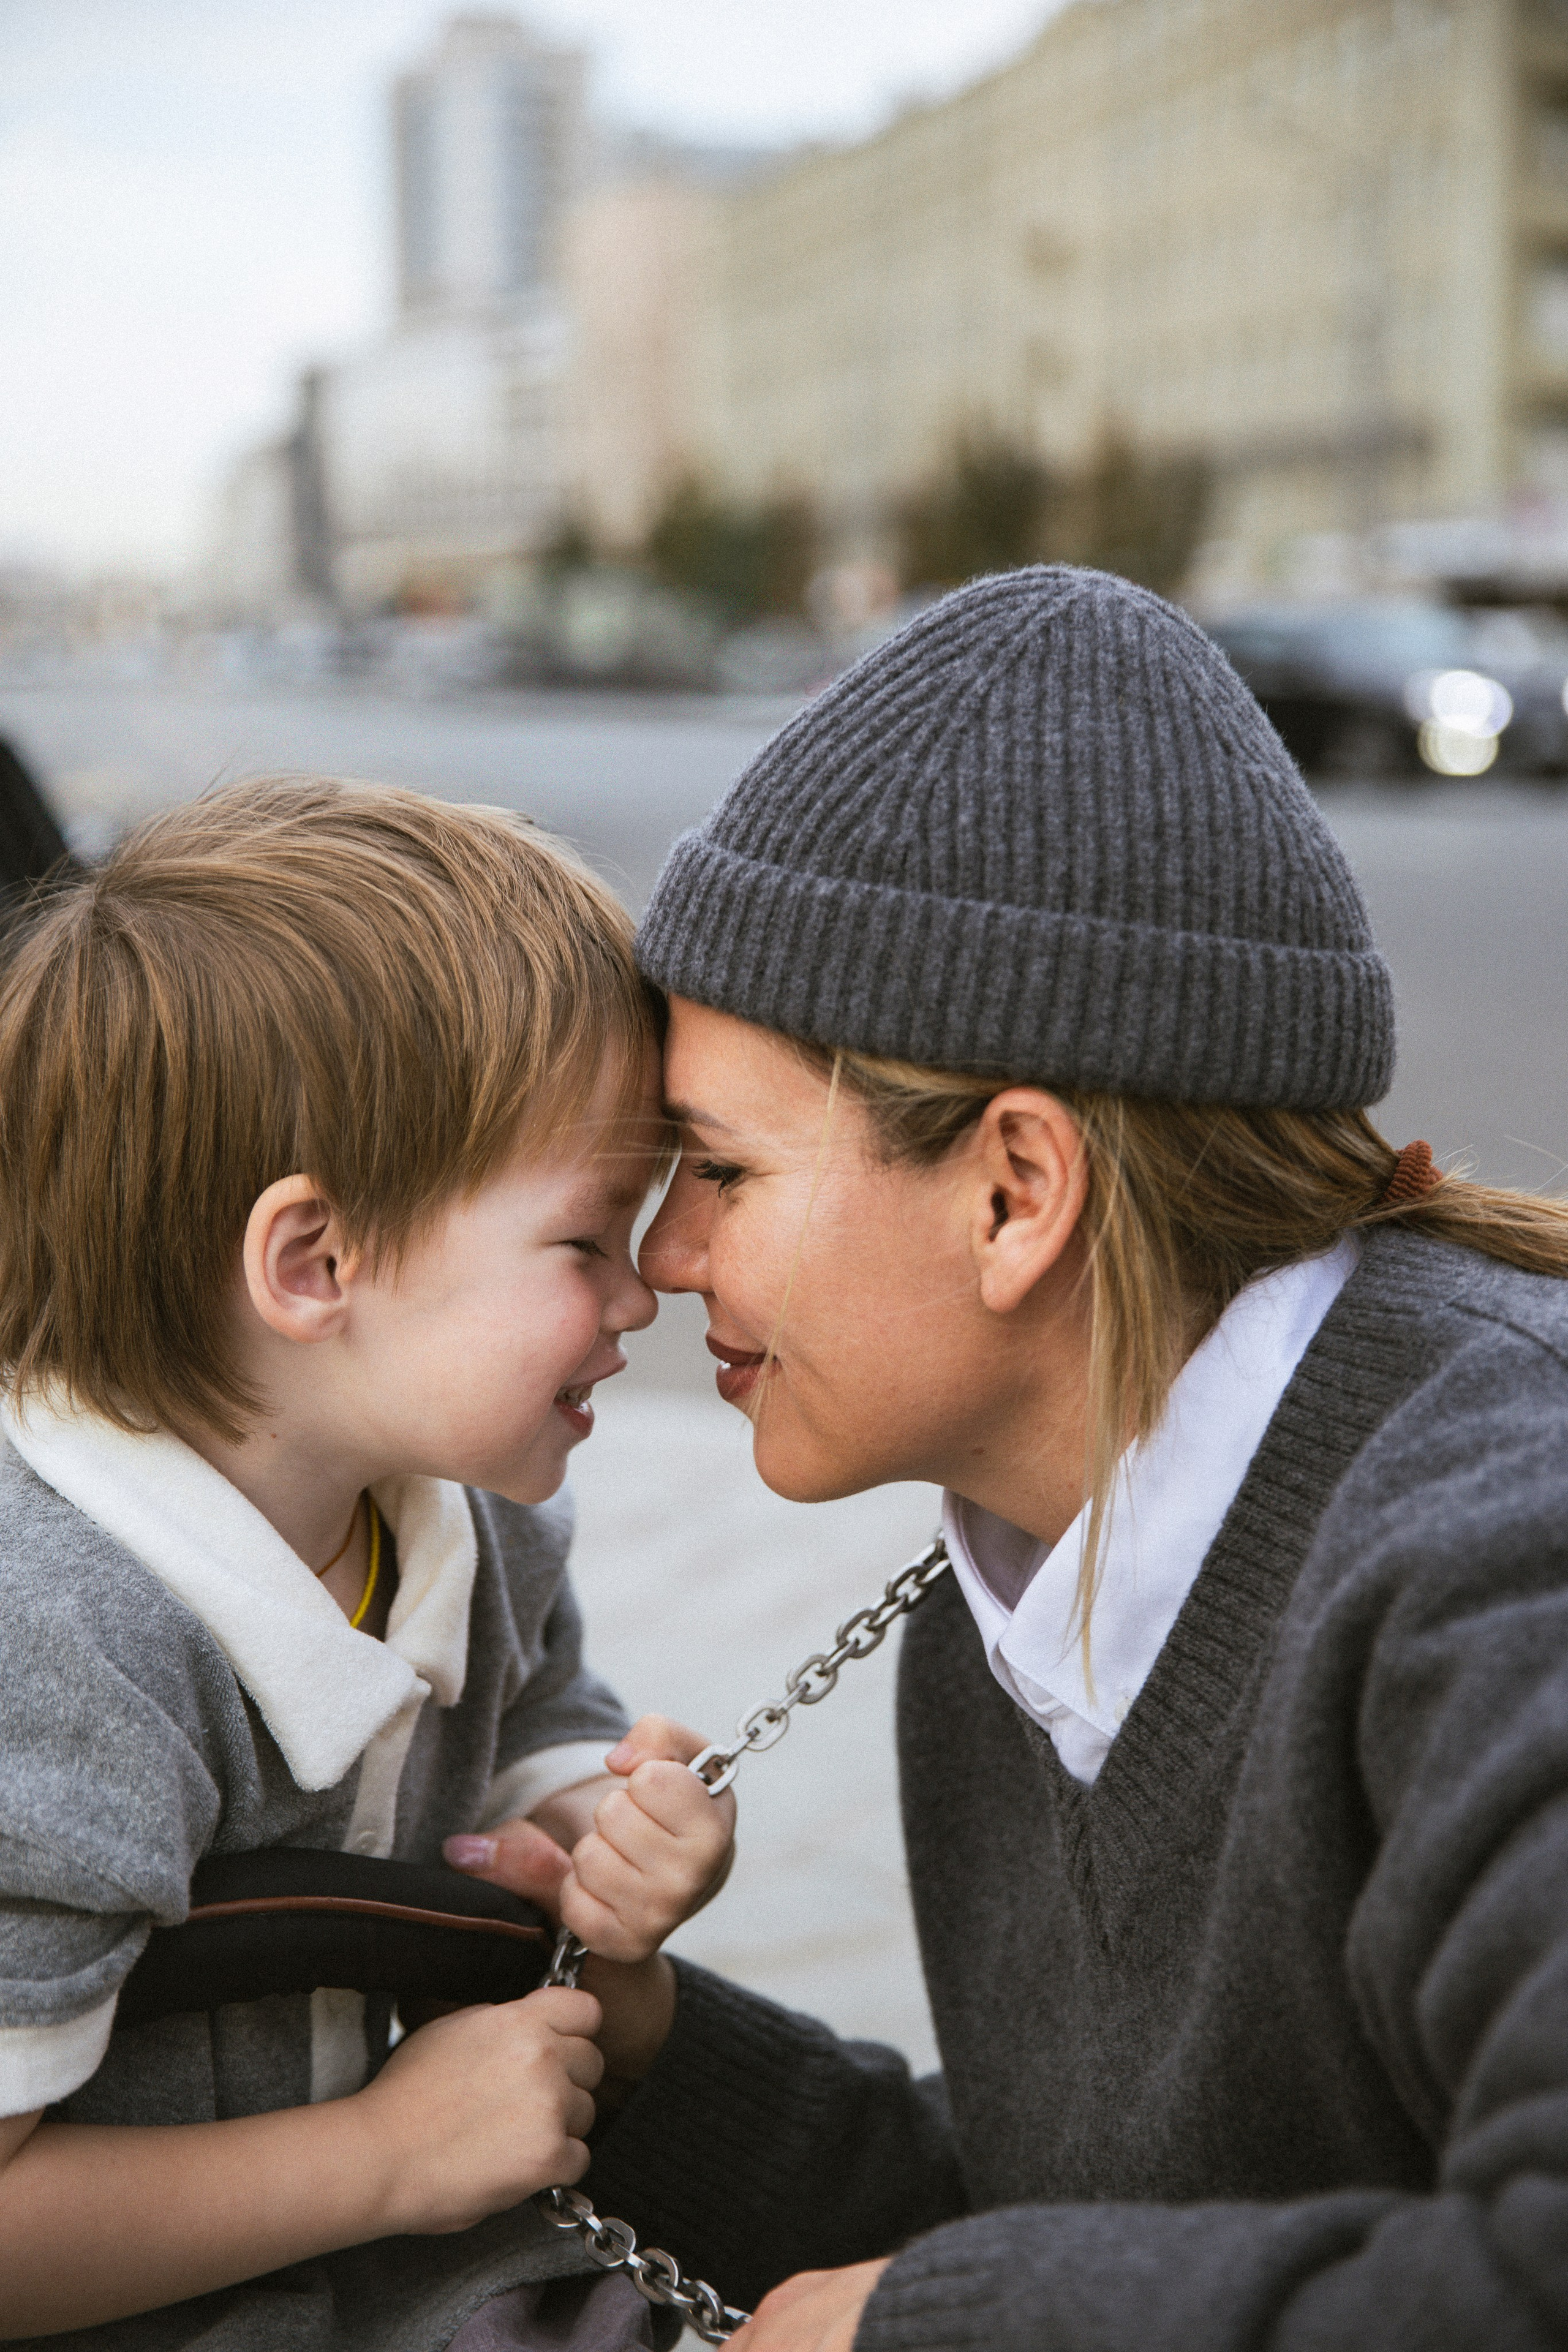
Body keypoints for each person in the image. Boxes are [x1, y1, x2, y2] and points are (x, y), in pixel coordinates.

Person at [475, 567, 1568, 2350]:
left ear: (1016, 1190)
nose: (666, 1261)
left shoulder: (1507, 1553)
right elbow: (1093, 2232)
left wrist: (921, 2332)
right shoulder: (1009, 1588)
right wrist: (644, 2047)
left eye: (724, 1171)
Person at [0, 781, 733, 2351]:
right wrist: (381, 2159)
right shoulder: (59, 1649)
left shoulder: (475, 1512)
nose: (647, 1289)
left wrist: (596, 1830)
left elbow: (535, 1729)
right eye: (588, 1236)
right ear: (316, 1263)